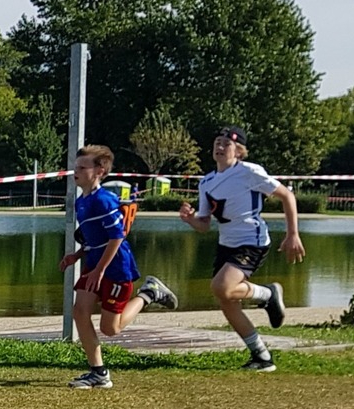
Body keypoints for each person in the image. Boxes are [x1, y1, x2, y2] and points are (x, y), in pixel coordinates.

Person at [179, 126, 305, 372]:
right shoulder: (206, 182)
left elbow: (287, 196)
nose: (220, 146)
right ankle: (261, 356)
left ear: (238, 151)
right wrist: (190, 219)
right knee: (225, 300)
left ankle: (267, 294)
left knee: (221, 287)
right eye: (217, 141)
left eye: (226, 143)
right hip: (226, 244)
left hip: (252, 241)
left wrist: (292, 234)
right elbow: (204, 225)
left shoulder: (249, 172)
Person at [60, 144, 178, 389]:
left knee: (110, 328)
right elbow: (94, 238)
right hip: (94, 264)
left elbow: (116, 237)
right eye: (76, 166)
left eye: (82, 167)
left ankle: (149, 293)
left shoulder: (104, 200)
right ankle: (98, 372)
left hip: (116, 268)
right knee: (79, 311)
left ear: (99, 171)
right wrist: (77, 255)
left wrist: (101, 270)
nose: (75, 171)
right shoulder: (82, 201)